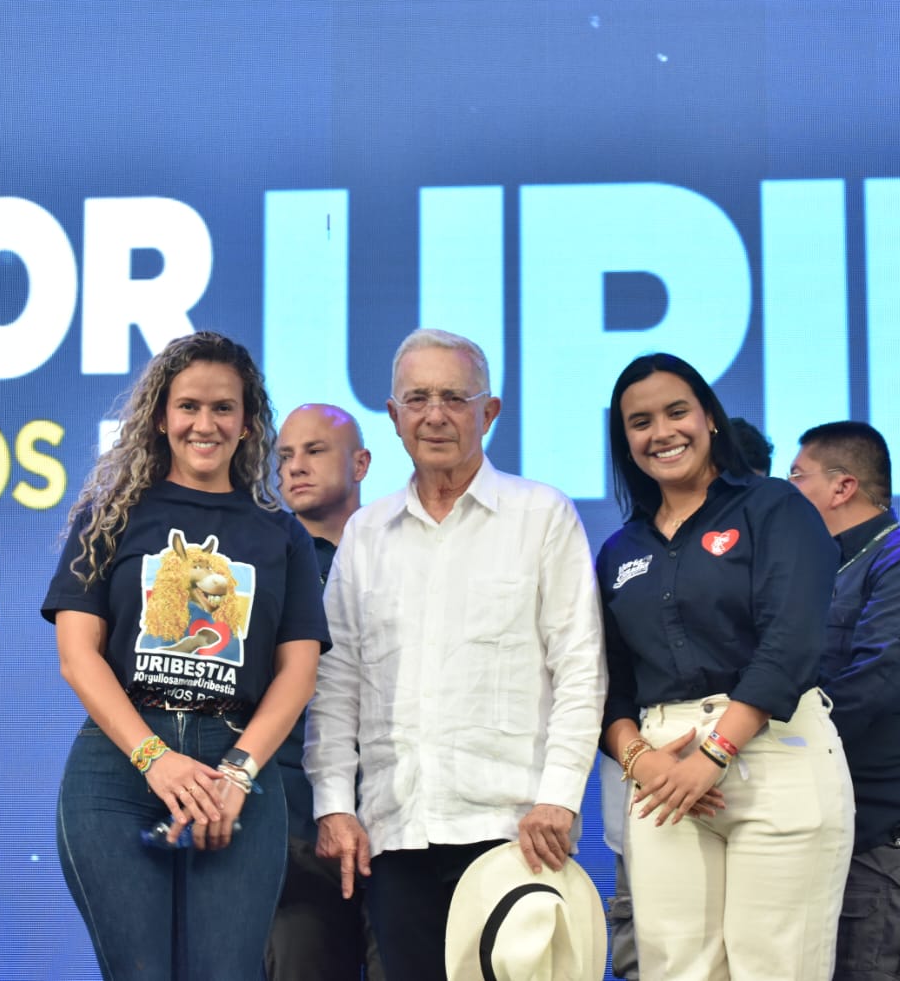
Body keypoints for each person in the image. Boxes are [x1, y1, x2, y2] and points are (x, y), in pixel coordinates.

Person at [306, 328, 606, 981]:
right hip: (395, 830)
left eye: (454, 397)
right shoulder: (365, 534)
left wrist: (559, 798)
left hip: (516, 828)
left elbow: (580, 668)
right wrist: (334, 803)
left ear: (488, 412)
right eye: (417, 398)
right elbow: (336, 682)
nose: (434, 414)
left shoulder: (541, 514)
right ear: (393, 416)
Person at [43, 330, 329, 981]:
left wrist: (237, 774)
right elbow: (78, 656)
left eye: (223, 407)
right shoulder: (109, 516)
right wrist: (155, 758)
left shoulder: (280, 533)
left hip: (237, 771)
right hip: (118, 772)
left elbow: (298, 672)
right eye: (189, 406)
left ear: (248, 421)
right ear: (160, 416)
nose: (205, 424)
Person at [598, 352, 853, 981]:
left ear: (709, 417)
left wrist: (714, 754)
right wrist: (641, 760)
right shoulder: (620, 550)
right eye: (640, 422)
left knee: (776, 966)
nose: (662, 432)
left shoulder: (773, 506)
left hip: (775, 754)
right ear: (625, 442)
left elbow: (790, 641)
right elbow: (608, 685)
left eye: (676, 412)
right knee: (675, 968)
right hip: (661, 777)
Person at [790, 421, 900, 981]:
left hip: (884, 837)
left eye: (797, 477)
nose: (785, 492)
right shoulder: (819, 569)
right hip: (825, 826)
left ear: (842, 486)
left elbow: (874, 682)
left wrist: (762, 744)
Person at [268, 403, 381, 981]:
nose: (295, 467)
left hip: (398, 819)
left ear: (360, 463)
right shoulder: (261, 566)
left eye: (314, 451)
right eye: (284, 456)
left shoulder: (396, 555)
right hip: (294, 828)